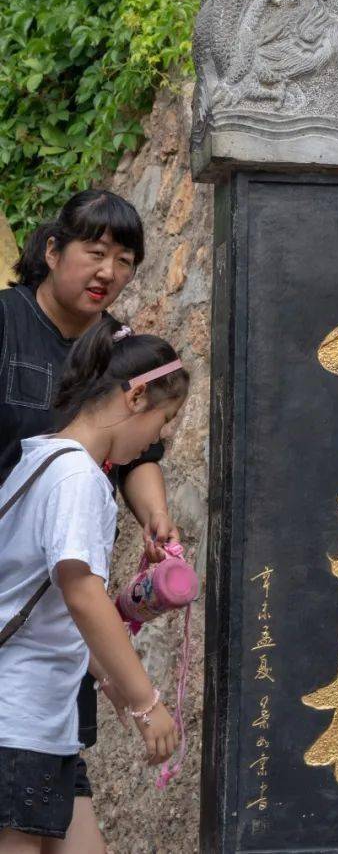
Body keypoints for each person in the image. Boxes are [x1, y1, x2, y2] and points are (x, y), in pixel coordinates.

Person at [0, 190, 180, 854]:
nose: (108, 271)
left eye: (125, 259)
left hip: (43, 659)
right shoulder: (7, 325)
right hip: (19, 623)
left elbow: (138, 451)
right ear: (51, 251)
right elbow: (80, 587)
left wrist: (157, 519)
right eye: (95, 252)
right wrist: (144, 700)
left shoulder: (113, 347)